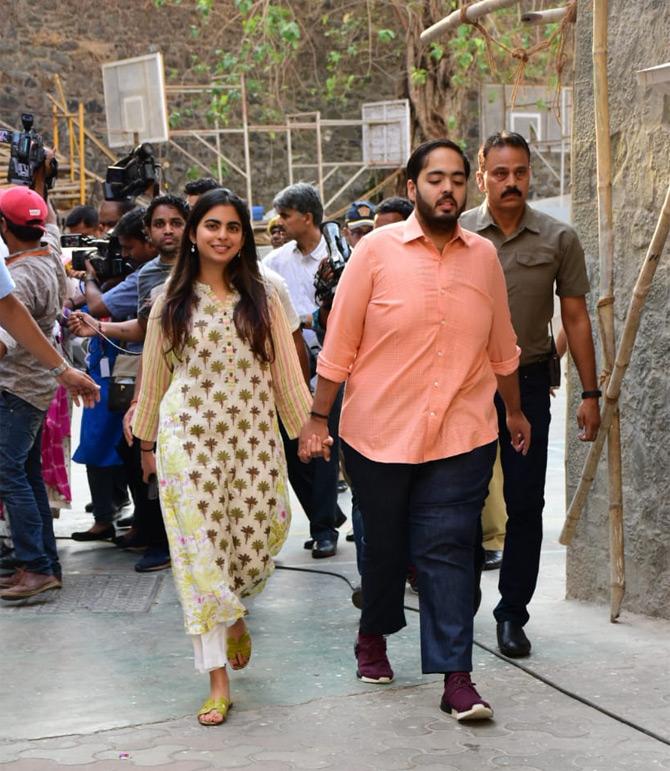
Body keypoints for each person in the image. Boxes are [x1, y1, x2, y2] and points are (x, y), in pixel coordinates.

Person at [298, 139, 530, 721]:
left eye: (456, 178)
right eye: (434, 178)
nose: (447, 188)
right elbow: (340, 345)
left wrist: (517, 412)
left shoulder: (483, 258)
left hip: (463, 434)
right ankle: (373, 632)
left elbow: (502, 348)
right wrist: (318, 417)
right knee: (385, 551)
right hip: (379, 435)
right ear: (412, 187)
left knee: (450, 550)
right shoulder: (374, 253)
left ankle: (458, 679)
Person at [132, 188, 311, 726]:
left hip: (253, 438)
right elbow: (155, 375)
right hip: (189, 437)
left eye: (233, 227)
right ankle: (216, 680)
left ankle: (235, 614)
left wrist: (309, 430)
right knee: (199, 554)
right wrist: (146, 441)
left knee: (259, 538)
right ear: (193, 233)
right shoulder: (171, 299)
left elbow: (285, 371)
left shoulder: (266, 293)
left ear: (243, 235)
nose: (222, 236)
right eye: (212, 225)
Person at [460, 131, 600, 658]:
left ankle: (512, 615)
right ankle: (459, 604)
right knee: (461, 499)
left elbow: (576, 318)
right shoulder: (460, 234)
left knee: (525, 503)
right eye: (500, 173)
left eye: (520, 172)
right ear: (482, 176)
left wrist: (591, 392)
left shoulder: (558, 239)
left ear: (529, 175)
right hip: (466, 387)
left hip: (531, 383)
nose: (511, 182)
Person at [0, 186, 88, 600]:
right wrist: (39, 181)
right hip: (36, 385)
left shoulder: (20, 277)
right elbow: (51, 224)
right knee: (27, 474)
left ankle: (34, 565)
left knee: (9, 473)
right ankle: (42, 563)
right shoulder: (49, 254)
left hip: (16, 387)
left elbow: (7, 337)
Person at [264, 183, 344, 558]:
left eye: (285, 216)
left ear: (306, 217)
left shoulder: (342, 257)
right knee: (294, 444)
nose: (280, 223)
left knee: (324, 442)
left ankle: (324, 528)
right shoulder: (276, 263)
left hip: (331, 360)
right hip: (289, 361)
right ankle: (324, 514)